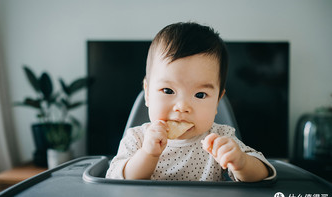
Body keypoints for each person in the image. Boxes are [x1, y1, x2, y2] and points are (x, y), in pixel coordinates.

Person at [106, 22, 276, 182]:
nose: (182, 107)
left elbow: (263, 173)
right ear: (148, 94)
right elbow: (116, 178)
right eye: (168, 91)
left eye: (200, 95)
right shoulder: (137, 138)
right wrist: (147, 154)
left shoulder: (219, 138)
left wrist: (242, 163)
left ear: (217, 101)